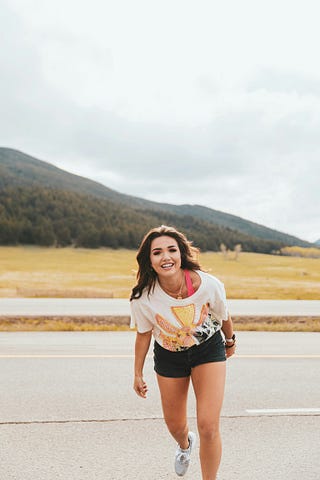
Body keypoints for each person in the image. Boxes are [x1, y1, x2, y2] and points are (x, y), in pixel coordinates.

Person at [130, 225, 236, 479]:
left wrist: (230, 341)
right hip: (168, 356)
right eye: (157, 252)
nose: (166, 257)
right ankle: (184, 444)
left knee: (208, 426)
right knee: (175, 425)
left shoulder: (209, 284)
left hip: (208, 349)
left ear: (181, 254)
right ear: (149, 260)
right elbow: (143, 334)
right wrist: (137, 373)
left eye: (171, 250)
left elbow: (224, 316)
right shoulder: (143, 297)